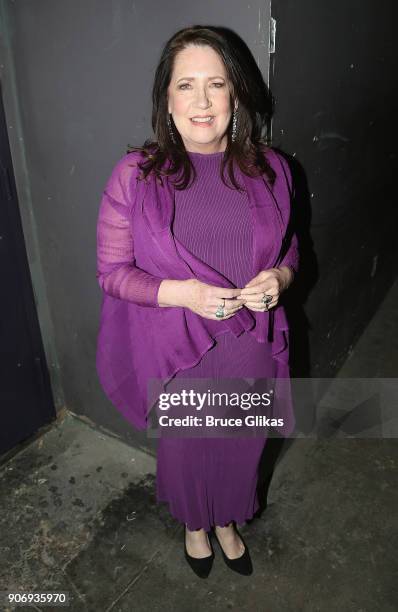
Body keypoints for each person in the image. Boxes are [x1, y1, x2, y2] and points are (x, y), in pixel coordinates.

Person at [96, 25, 299, 579]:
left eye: (217, 84)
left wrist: (280, 276)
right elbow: (113, 273)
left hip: (250, 343)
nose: (203, 101)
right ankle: (194, 523)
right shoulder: (135, 176)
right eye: (187, 85)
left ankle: (228, 519)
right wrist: (181, 293)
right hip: (179, 352)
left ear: (236, 94)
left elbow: (290, 247)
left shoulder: (271, 168)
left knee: (242, 444)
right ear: (167, 98)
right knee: (188, 448)